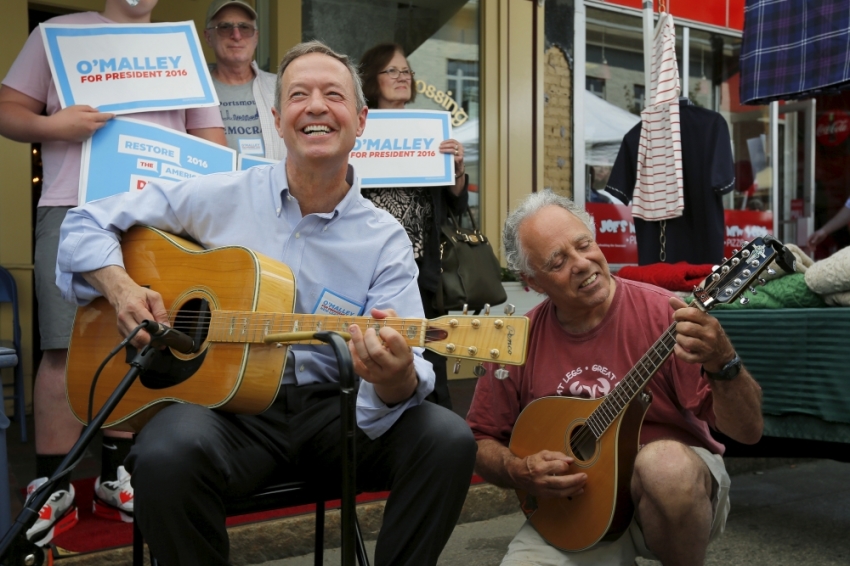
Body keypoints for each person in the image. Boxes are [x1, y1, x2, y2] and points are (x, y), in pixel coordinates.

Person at [55, 40, 477, 565]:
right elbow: (85, 222)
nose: (317, 106)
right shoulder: (218, 193)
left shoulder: (384, 239)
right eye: (299, 94)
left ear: (362, 120)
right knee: (163, 454)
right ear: (278, 120)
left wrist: (392, 379)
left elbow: (407, 364)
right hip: (226, 412)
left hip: (337, 411)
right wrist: (120, 288)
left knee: (447, 438)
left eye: (333, 95)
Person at [0, 0, 226, 544]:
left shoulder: (181, 43)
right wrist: (53, 124)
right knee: (62, 346)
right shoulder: (57, 32)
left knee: (138, 336)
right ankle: (53, 481)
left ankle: (113, 474)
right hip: (72, 205)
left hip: (154, 216)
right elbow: (7, 107)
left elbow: (213, 140)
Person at [466, 191, 764, 566]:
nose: (581, 263)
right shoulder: (516, 340)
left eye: (584, 244)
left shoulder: (666, 314)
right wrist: (517, 470)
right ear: (533, 282)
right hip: (578, 509)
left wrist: (725, 362)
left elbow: (748, 431)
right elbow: (480, 439)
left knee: (664, 466)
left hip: (673, 498)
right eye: (558, 261)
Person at [358, 42, 469, 409]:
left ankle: (437, 431)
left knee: (429, 350)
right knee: (376, 348)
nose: (402, 77)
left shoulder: (430, 130)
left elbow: (453, 204)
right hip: (368, 265)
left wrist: (456, 171)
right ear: (372, 79)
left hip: (422, 268)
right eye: (392, 71)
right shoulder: (357, 129)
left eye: (406, 71)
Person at [204, 0, 285, 159]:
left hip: (275, 183)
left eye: (245, 27)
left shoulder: (280, 87)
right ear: (208, 37)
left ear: (256, 37)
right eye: (225, 27)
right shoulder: (195, 89)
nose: (236, 35)